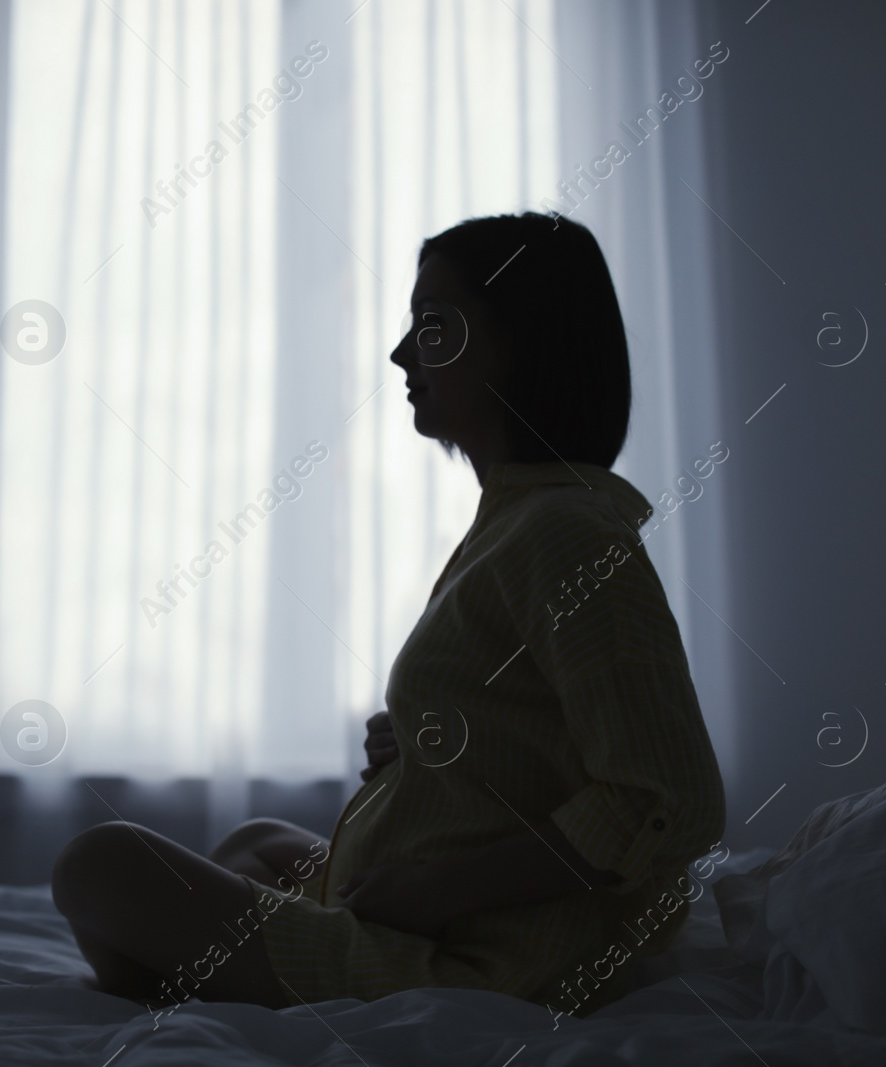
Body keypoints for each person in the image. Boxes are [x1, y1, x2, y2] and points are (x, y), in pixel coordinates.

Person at [50, 211, 728, 1021]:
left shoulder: (567, 534)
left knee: (99, 864)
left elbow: (666, 799)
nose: (404, 354)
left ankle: (228, 989)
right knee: (256, 843)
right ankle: (228, 978)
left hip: (478, 959)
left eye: (435, 327)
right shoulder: (520, 521)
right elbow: (545, 735)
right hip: (442, 919)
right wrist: (432, 745)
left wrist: (436, 889)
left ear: (524, 341)